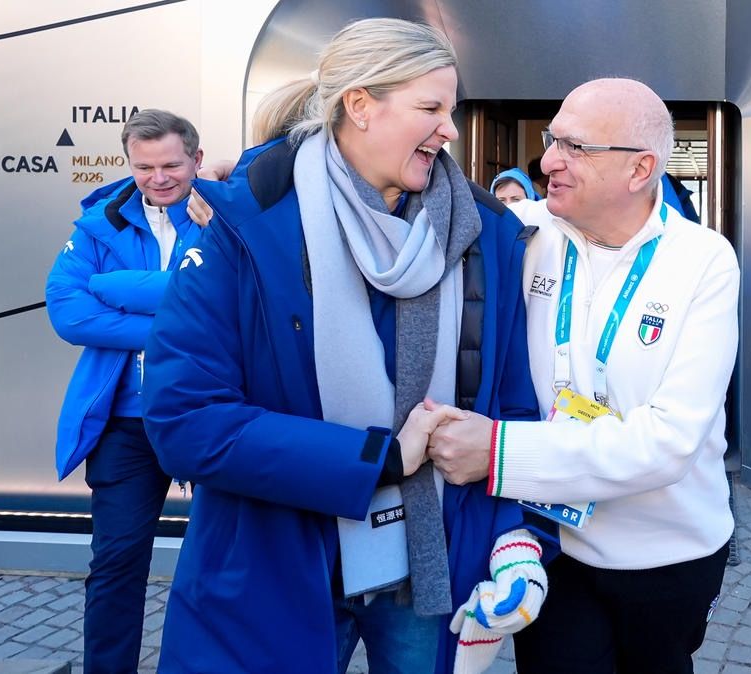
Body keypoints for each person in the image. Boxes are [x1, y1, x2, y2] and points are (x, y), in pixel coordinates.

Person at [139, 18, 552, 674]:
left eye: (450, 109)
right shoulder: (243, 225)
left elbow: (509, 406)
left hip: (429, 565)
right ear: (360, 105)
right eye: (430, 108)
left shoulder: (487, 234)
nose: (449, 129)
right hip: (275, 563)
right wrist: (380, 458)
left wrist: (517, 536)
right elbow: (185, 420)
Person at [425, 77, 739, 674]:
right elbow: (408, 201)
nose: (548, 162)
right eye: (552, 139)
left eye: (575, 147)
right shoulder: (520, 230)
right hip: (553, 545)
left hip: (670, 555)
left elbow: (670, 441)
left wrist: (497, 453)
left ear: (640, 169)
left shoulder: (704, 260)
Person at [44, 109, 204, 674]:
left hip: (208, 416)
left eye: (171, 165)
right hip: (125, 425)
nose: (158, 178)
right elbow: (69, 313)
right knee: (115, 565)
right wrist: (177, 325)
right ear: (128, 163)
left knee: (218, 566)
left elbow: (227, 301)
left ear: (196, 159)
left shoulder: (223, 217)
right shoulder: (98, 224)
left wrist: (111, 288)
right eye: (144, 167)